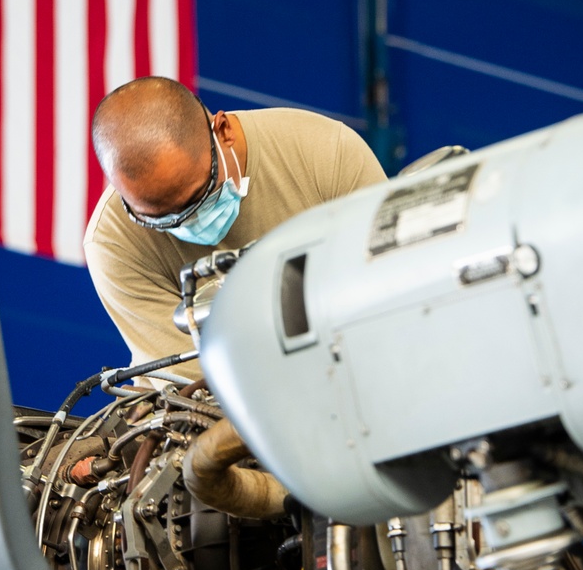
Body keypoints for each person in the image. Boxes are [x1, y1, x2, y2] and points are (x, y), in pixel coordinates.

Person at [84, 76, 387, 370]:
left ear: (223, 131)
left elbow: (386, 291)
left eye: (197, 199)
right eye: (159, 218)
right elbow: (190, 378)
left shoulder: (326, 154)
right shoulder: (112, 241)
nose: (185, 222)